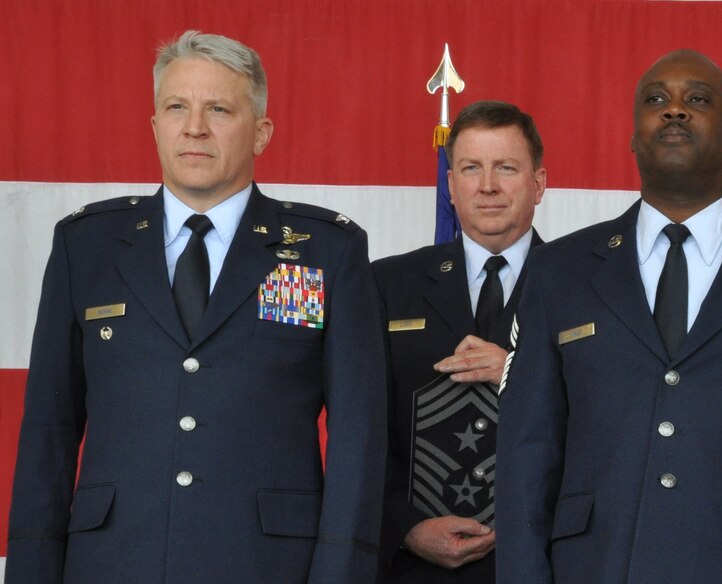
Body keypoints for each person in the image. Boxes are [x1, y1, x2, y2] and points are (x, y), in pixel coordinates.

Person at [5, 30, 386, 583]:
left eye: (219, 109)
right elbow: (48, 430)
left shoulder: (325, 250)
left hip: (269, 566)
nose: (195, 127)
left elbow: (358, 433)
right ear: (155, 126)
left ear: (261, 132)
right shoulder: (85, 246)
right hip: (112, 563)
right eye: (176, 107)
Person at [496, 50, 722, 583]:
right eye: (656, 100)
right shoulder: (559, 272)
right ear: (632, 134)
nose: (674, 111)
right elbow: (525, 458)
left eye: (697, 99)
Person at [372, 100, 546, 583]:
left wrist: (516, 372)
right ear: (451, 186)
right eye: (471, 168)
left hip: (538, 561)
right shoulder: (386, 286)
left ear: (539, 184)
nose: (487, 185)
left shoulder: (583, 288)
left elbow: (607, 425)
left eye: (506, 168)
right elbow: (360, 431)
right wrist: (405, 528)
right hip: (411, 567)